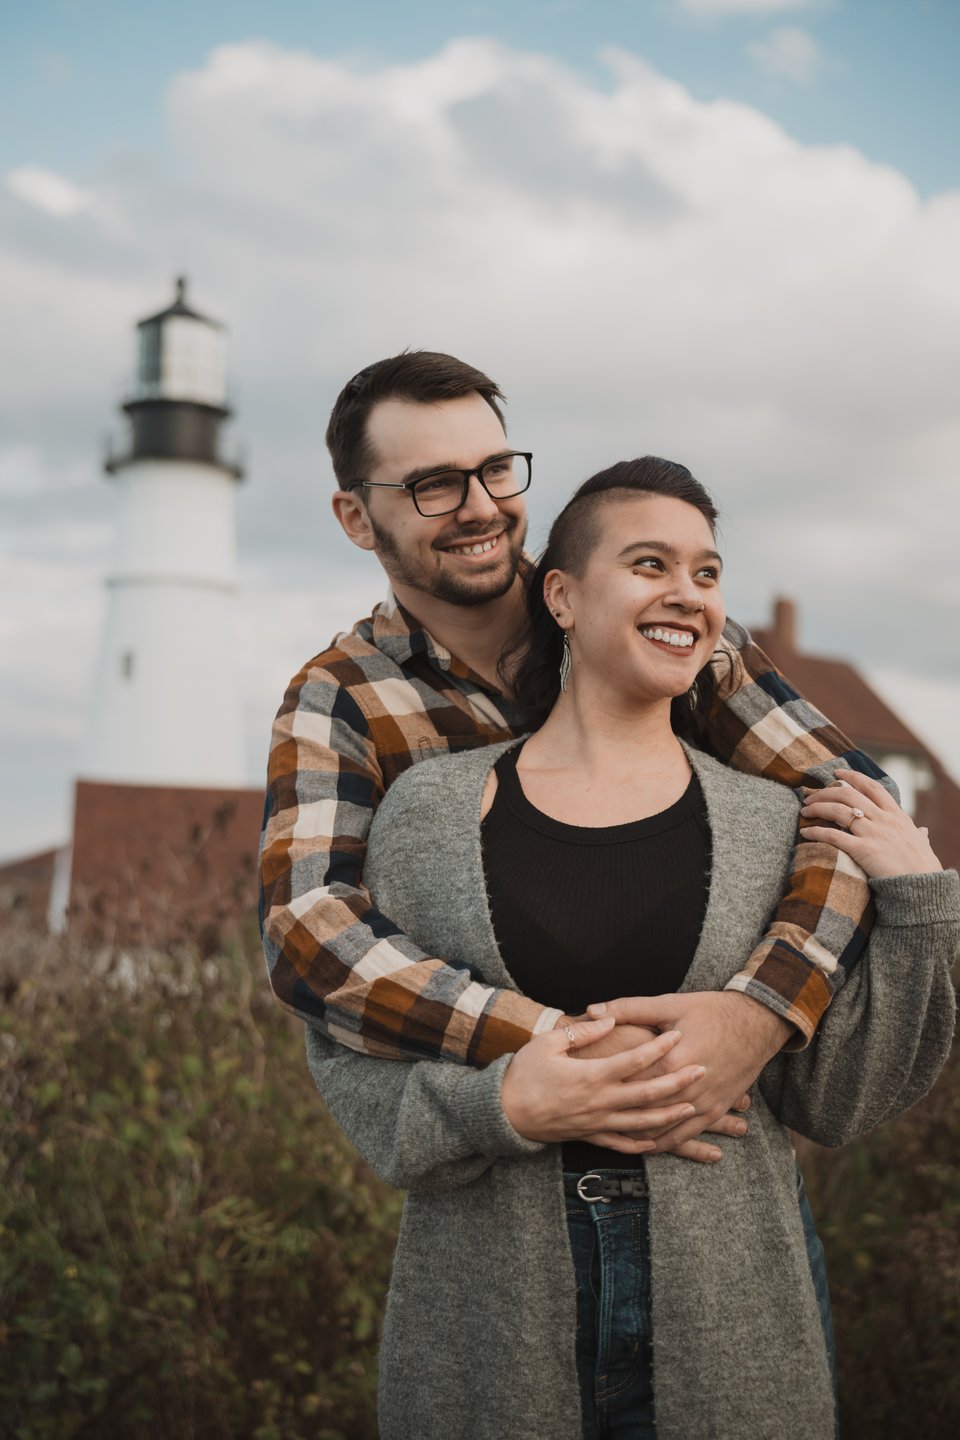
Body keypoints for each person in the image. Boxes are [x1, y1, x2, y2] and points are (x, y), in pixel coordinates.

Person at [305, 459, 958, 1440]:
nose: (687, 595)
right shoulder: (425, 816)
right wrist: (502, 1101)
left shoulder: (776, 825)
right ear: (560, 596)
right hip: (487, 1331)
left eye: (707, 573)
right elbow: (354, 1072)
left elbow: (839, 1098)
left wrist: (920, 903)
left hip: (732, 1325)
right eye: (650, 563)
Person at [260, 351, 891, 1162]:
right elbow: (307, 935)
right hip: (510, 1163)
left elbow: (856, 805)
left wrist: (760, 1011)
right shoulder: (340, 698)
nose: (481, 507)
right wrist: (565, 1049)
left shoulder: (654, 625)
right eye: (434, 485)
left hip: (718, 1152)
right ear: (355, 517)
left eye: (496, 470)